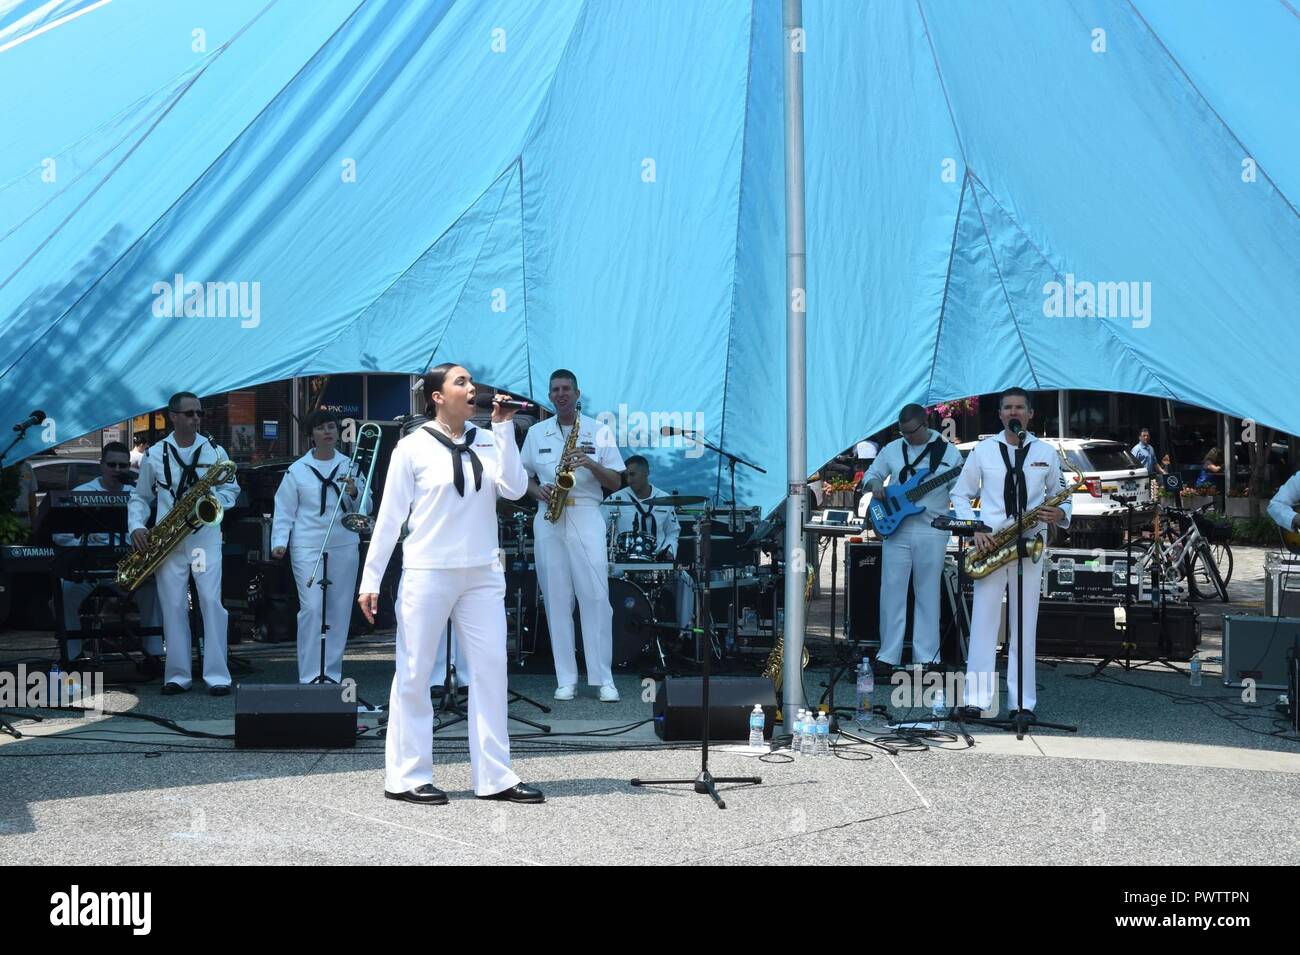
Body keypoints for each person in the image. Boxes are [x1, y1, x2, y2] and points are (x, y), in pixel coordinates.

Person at [358, 364, 542, 805]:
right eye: (460, 382)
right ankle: (406, 776)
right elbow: (389, 517)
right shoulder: (411, 447)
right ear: (437, 396)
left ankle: (496, 776)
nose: (472, 388)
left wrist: (503, 432)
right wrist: (371, 577)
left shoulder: (487, 439)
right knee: (415, 673)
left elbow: (515, 490)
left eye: (471, 382)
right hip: (427, 570)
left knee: (490, 670)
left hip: (481, 572)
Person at [951, 388, 1071, 721]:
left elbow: (1062, 496)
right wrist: (974, 526)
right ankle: (976, 700)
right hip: (991, 543)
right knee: (984, 623)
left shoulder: (1046, 452)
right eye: (1008, 408)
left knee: (1024, 625)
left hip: (1030, 543)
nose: (1014, 412)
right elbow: (961, 495)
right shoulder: (982, 451)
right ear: (1000, 414)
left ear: (1030, 414)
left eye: (1020, 407)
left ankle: (1023, 704)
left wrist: (1060, 515)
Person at [520, 369, 626, 702]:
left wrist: (590, 464)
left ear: (578, 393)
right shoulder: (536, 433)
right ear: (550, 396)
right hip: (549, 517)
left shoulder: (599, 430)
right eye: (555, 390)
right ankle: (566, 678)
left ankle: (603, 678)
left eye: (567, 389)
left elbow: (616, 482)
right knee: (556, 600)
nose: (561, 394)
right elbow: (520, 478)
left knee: (595, 597)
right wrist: (539, 492)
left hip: (585, 512)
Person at [128, 392, 240, 696]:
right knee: (173, 605)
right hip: (168, 541)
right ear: (173, 417)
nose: (196, 419)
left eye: (199, 413)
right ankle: (177, 675)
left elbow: (232, 491)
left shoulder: (214, 451)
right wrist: (137, 525)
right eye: (189, 413)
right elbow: (140, 496)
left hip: (203, 537)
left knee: (211, 603)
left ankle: (218, 675)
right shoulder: (154, 454)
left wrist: (213, 501)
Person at [862, 404, 965, 673]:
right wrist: (874, 486)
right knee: (891, 591)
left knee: (927, 594)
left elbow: (962, 491)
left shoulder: (949, 453)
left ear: (925, 424)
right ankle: (887, 656)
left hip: (932, 529)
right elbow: (872, 476)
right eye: (902, 432)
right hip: (896, 528)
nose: (906, 436)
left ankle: (927, 658)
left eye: (911, 431)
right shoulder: (892, 449)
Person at [271, 410, 371, 684]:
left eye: (331, 427)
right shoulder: (298, 470)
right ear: (310, 436)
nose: (327, 432)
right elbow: (284, 509)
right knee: (312, 608)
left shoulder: (351, 466)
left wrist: (354, 492)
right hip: (307, 545)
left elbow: (366, 508)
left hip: (343, 543)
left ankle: (332, 674)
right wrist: (279, 541)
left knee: (339, 610)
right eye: (320, 428)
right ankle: (310, 675)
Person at [52, 442, 163, 667]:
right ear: (101, 465)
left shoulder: (137, 495)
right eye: (111, 464)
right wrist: (83, 543)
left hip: (127, 567)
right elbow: (59, 534)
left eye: (123, 465)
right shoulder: (82, 493)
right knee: (63, 595)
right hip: (88, 568)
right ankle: (72, 656)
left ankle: (154, 655)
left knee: (153, 589)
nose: (117, 470)